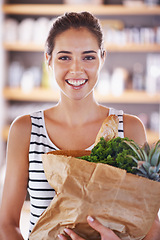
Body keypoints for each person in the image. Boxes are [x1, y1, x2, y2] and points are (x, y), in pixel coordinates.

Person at [0, 11, 159, 240]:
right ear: (48, 59)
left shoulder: (130, 128)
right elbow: (6, 225)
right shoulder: (25, 130)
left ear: (102, 58)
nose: (76, 69)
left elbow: (151, 226)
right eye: (64, 57)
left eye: (88, 57)